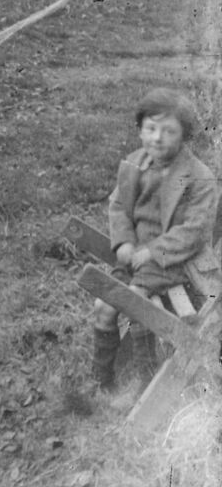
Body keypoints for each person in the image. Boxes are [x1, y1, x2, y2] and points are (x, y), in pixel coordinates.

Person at [90, 88, 221, 392]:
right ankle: (102, 382)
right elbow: (119, 205)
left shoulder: (198, 177)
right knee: (103, 307)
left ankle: (144, 380)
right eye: (150, 129)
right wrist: (123, 242)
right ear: (140, 130)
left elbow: (195, 231)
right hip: (135, 259)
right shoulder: (135, 164)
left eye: (168, 131)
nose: (157, 138)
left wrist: (152, 251)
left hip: (173, 262)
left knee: (136, 305)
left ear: (184, 135)